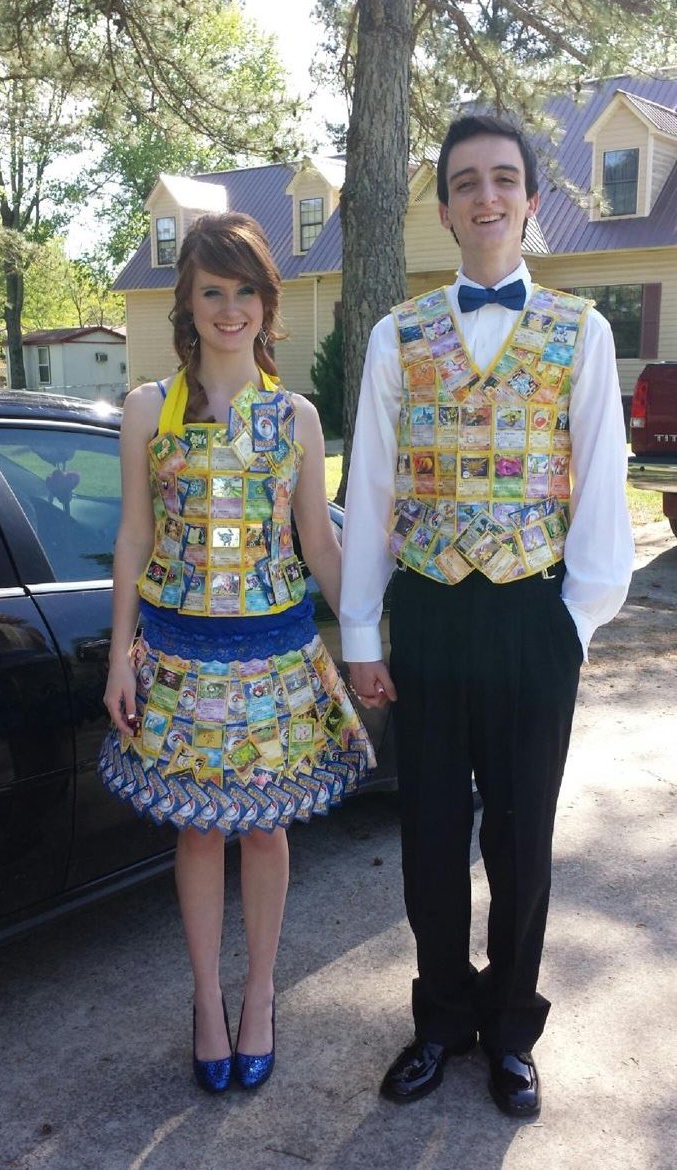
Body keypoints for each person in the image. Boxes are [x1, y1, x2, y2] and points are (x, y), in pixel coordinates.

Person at [339, 115, 633, 1117]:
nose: (485, 196)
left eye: (503, 178)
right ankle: (438, 1022)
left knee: (520, 840)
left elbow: (600, 485)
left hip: (530, 616)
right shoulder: (395, 334)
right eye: (465, 181)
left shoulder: (580, 331)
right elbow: (370, 488)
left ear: (529, 199)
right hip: (426, 611)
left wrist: (573, 621)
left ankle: (509, 1031)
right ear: (442, 208)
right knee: (428, 836)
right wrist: (363, 633)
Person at [100, 212, 374, 1094]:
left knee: (261, 831)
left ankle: (259, 993)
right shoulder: (148, 408)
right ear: (186, 301)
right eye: (211, 291)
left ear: (266, 301)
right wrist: (118, 656)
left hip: (273, 656)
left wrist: (369, 640)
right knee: (197, 831)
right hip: (179, 656)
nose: (229, 308)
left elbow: (319, 544)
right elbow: (134, 538)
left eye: (244, 290)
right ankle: (206, 1002)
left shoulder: (295, 417)